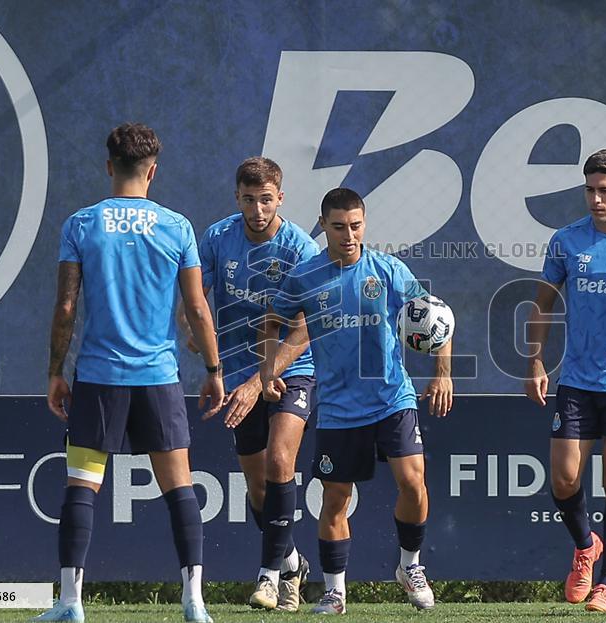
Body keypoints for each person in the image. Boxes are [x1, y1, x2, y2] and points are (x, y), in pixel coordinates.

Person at [37, 123, 224, 623]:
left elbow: (65, 306)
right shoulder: (176, 227)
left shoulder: (82, 224)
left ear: (108, 166)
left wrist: (56, 372)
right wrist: (213, 369)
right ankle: (195, 603)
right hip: (159, 378)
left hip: (98, 376)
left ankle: (71, 603)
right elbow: (199, 310)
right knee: (180, 488)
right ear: (153, 171)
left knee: (81, 485)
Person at [260, 188, 453, 614]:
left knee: (412, 481)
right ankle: (334, 591)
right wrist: (268, 369)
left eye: (356, 226)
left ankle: (410, 565)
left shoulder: (386, 270)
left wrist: (442, 373)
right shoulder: (306, 276)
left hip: (391, 397)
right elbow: (273, 321)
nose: (348, 235)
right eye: (338, 226)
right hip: (339, 409)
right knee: (335, 499)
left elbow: (437, 315)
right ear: (323, 225)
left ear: (364, 224)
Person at [525, 149, 606, 613]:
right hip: (578, 381)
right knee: (563, 479)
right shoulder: (566, 241)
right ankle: (586, 545)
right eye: (589, 190)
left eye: (605, 190)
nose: (596, 199)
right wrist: (536, 362)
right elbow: (541, 303)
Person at [184, 157, 317, 611]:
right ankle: (293, 562)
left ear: (280, 197)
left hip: (290, 366)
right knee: (259, 488)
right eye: (248, 199)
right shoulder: (218, 238)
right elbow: (194, 294)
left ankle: (267, 577)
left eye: (266, 200)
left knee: (281, 461)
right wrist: (193, 331)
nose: (257, 209)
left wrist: (264, 380)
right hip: (239, 369)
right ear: (236, 197)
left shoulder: (300, 247)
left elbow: (305, 327)